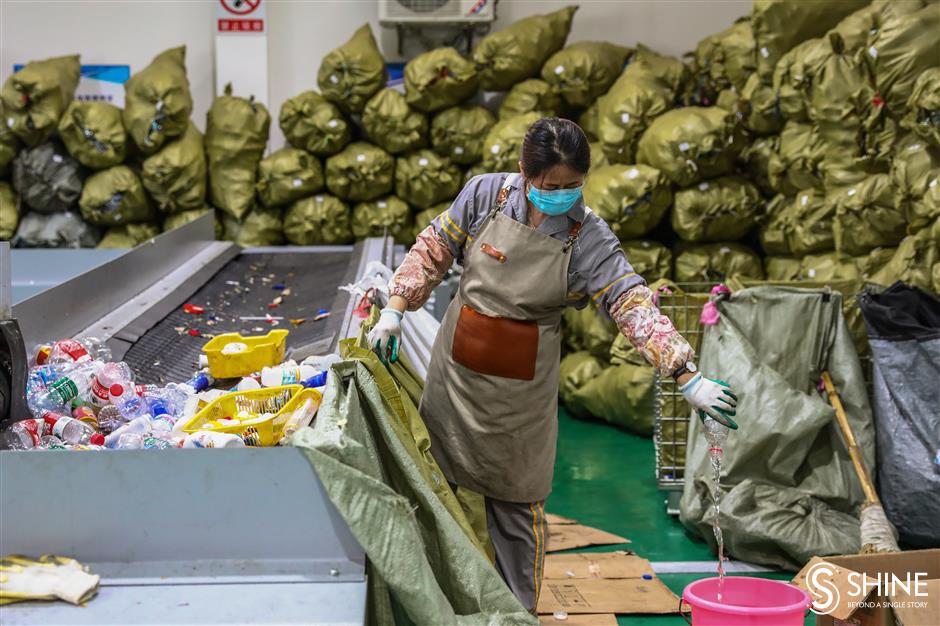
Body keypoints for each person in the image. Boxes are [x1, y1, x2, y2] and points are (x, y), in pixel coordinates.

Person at [369, 117, 737, 613]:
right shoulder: (485, 197)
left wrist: (685, 375)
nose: (562, 196)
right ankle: (442, 607)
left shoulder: (589, 238)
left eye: (572, 187)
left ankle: (518, 614)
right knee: (440, 490)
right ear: (524, 172)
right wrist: (395, 306)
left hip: (519, 397)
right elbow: (434, 247)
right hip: (455, 378)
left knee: (516, 506)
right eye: (550, 187)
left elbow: (631, 303)